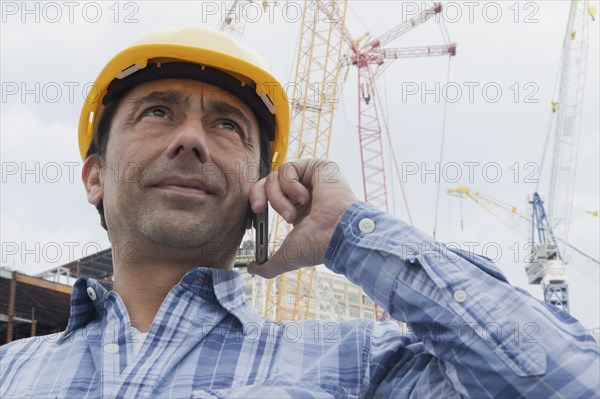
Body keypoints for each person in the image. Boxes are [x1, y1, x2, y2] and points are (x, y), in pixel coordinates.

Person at [1, 26, 598, 399]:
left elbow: (569, 383)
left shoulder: (362, 367)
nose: (191, 141)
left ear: (263, 187)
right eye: (157, 111)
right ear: (95, 176)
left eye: (226, 125)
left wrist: (350, 232)